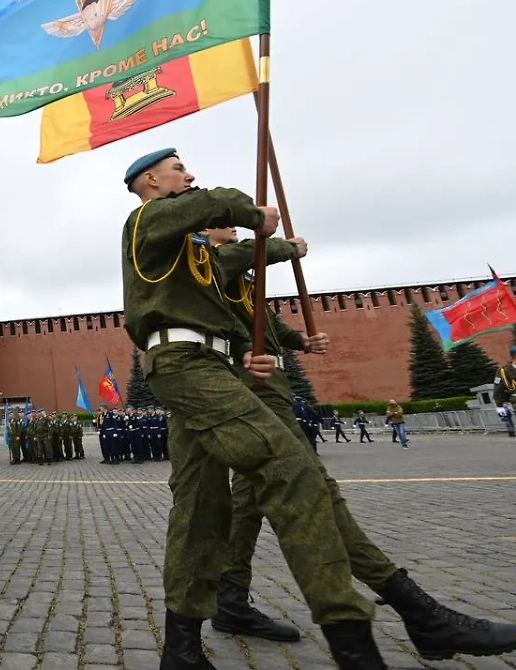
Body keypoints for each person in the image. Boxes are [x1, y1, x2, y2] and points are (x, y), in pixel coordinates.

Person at [119, 147, 383, 667]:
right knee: (291, 469)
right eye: (179, 169)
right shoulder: (150, 218)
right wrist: (271, 231)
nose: (190, 175)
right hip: (186, 366)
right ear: (151, 180)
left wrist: (252, 351)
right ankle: (372, 628)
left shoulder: (193, 253)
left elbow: (235, 313)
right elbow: (221, 220)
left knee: (202, 507)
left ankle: (184, 647)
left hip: (214, 366)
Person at [204, 225, 516, 662]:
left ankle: (230, 598)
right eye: (223, 214)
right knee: (312, 488)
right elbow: (215, 306)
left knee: (251, 495)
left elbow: (262, 321)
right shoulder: (204, 257)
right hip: (249, 382)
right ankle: (417, 610)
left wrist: (300, 340)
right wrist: (278, 247)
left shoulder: (240, 266)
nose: (235, 219)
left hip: (269, 380)